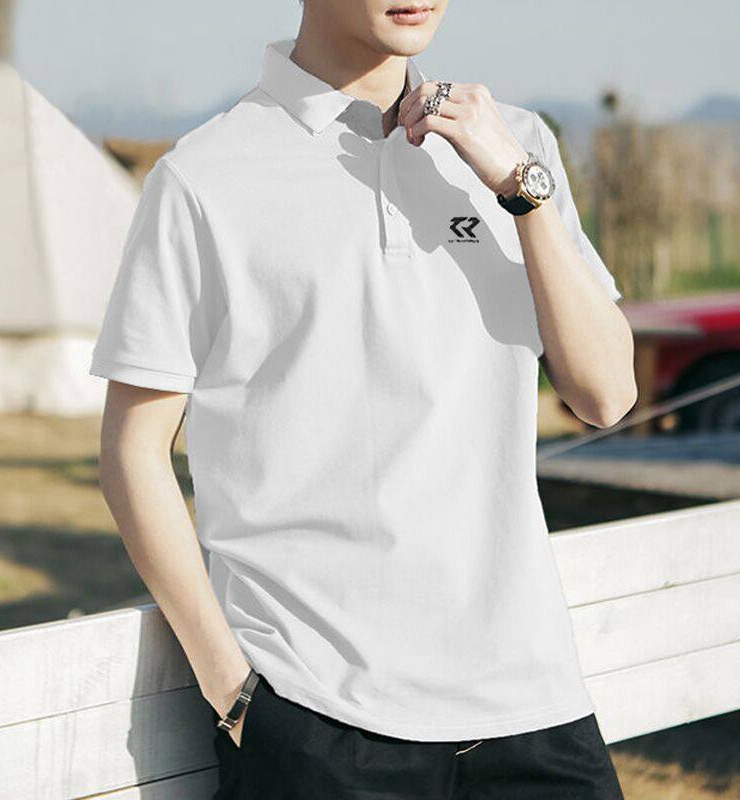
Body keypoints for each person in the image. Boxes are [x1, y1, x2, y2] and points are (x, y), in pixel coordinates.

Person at [91, 1, 636, 797]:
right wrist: (234, 695)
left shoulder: (517, 144)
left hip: (533, 708)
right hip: (319, 727)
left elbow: (606, 393)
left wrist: (521, 189)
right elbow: (133, 451)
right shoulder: (203, 178)